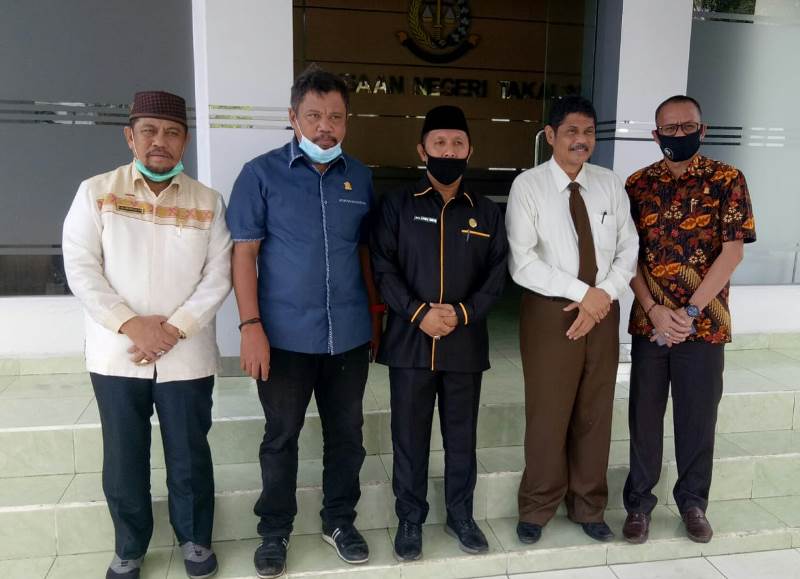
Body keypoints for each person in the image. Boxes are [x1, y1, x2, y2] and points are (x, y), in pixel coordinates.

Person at [62, 90, 232, 579]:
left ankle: (195, 539)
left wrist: (174, 329)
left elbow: (218, 275)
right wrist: (131, 323)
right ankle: (130, 546)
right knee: (124, 457)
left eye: (172, 132)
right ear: (130, 137)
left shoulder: (207, 202)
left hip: (186, 353)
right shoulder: (97, 193)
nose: (161, 141)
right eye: (150, 131)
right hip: (119, 353)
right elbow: (80, 266)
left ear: (185, 141)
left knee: (189, 454)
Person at [225, 65, 382, 579]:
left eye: (335, 116)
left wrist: (376, 319)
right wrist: (250, 326)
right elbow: (244, 254)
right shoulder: (260, 174)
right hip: (283, 339)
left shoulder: (361, 177)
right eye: (314, 115)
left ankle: (339, 521)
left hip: (348, 336)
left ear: (347, 120)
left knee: (348, 436)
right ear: (293, 118)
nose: (325, 127)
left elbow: (365, 254)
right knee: (281, 436)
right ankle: (274, 529)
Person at [371, 105, 508, 561]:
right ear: (422, 150)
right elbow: (383, 267)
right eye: (439, 143)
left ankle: (460, 516)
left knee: (461, 437)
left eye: (457, 143)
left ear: (470, 150)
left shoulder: (485, 212)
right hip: (410, 343)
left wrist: (463, 313)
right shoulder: (397, 205)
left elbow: (497, 275)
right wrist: (418, 313)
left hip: (464, 344)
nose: (448, 151)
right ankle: (410, 519)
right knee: (409, 438)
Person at [622, 95, 756, 544]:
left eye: (687, 127)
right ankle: (638, 504)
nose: (678, 134)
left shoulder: (727, 180)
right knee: (644, 418)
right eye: (669, 128)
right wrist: (653, 308)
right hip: (651, 325)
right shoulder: (637, 185)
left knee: (697, 420)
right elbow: (627, 257)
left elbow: (732, 252)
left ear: (703, 129)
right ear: (655, 134)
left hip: (705, 325)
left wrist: (690, 311)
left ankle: (693, 503)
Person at [506, 95, 638, 544]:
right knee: (548, 412)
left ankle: (588, 505)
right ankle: (537, 506)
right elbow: (522, 261)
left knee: (595, 411)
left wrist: (602, 295)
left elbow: (629, 248)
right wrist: (584, 294)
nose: (581, 140)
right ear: (550, 135)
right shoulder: (528, 186)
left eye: (588, 132)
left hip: (603, 309)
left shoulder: (609, 184)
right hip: (551, 311)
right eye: (571, 132)